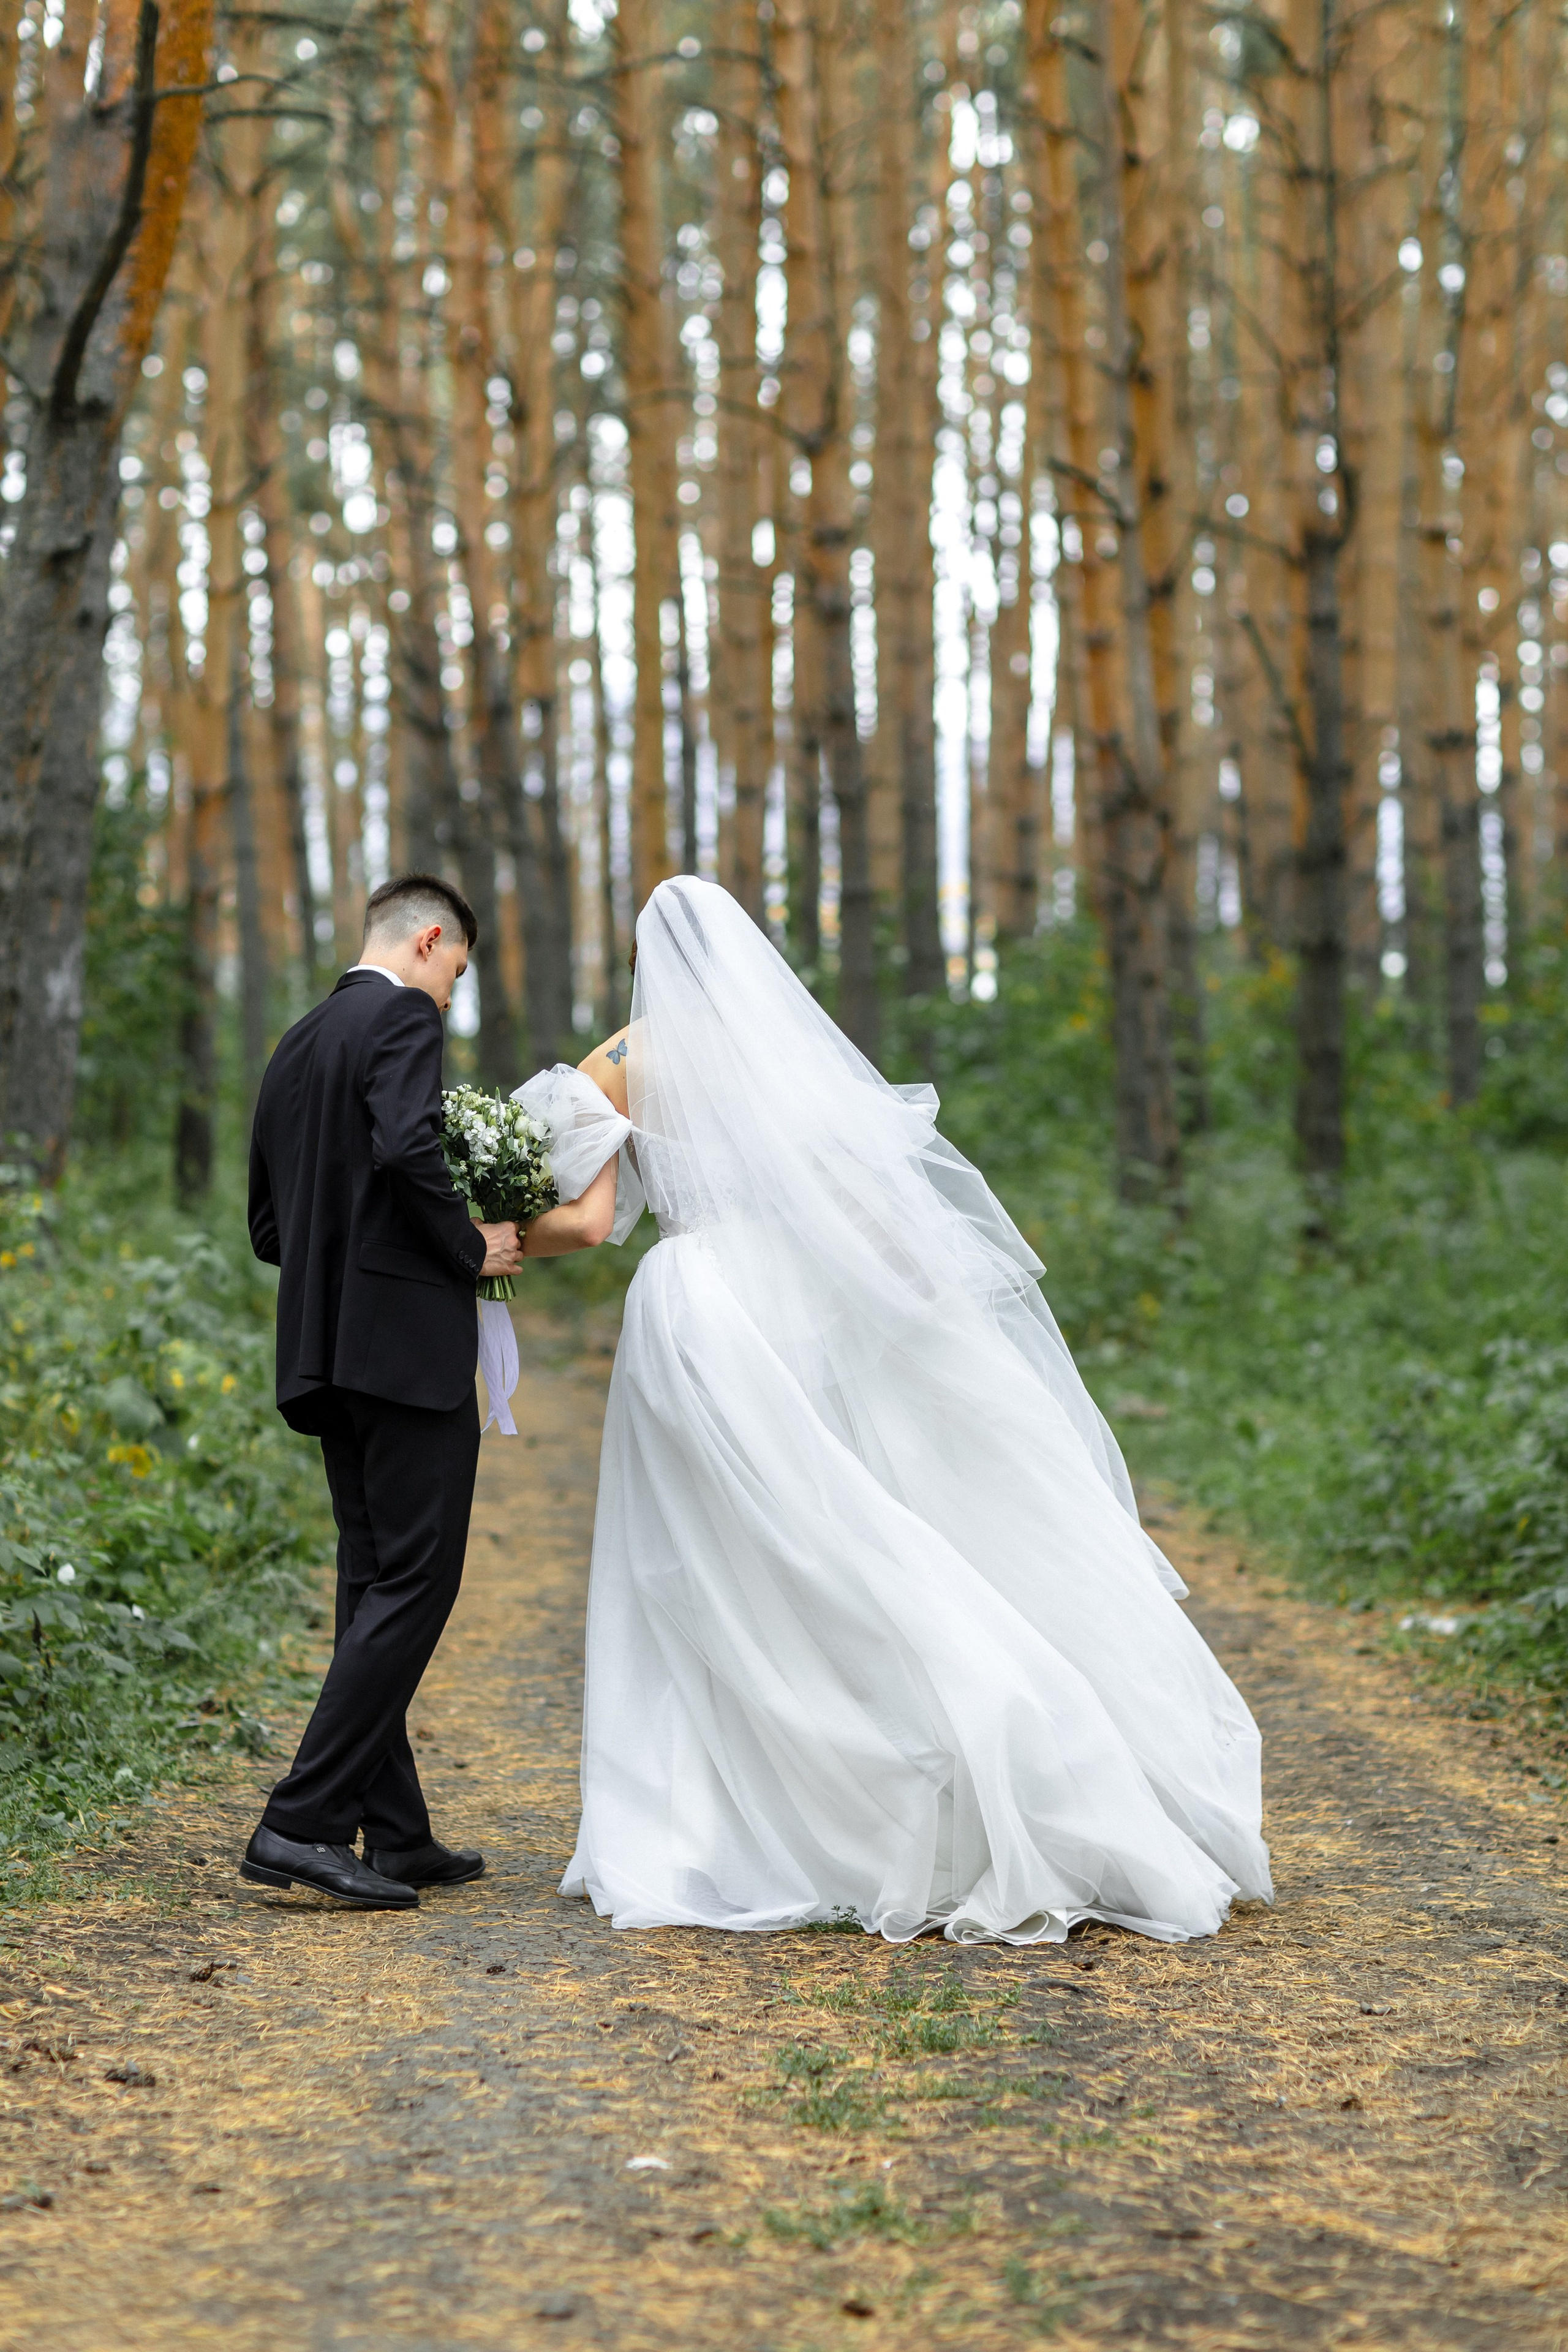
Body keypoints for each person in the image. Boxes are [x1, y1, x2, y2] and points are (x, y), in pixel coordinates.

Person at [513, 875, 1273, 1945]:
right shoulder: (781, 1056)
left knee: (705, 1558)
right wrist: (925, 1307)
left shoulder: (622, 1063)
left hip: (692, 1313)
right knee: (830, 1523)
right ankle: (929, 1763)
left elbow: (588, 1228)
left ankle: (717, 1816)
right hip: (785, 1303)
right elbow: (863, 1207)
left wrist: (493, 1236)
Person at [241, 875, 524, 1911]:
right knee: (418, 1582)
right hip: (405, 1352)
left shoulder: (299, 1041)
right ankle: (301, 1820)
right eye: (458, 970)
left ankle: (397, 1834)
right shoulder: (401, 1016)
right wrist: (467, 1250)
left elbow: (268, 1229)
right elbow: (410, 1147)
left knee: (374, 1583)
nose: (451, 993)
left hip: (325, 1354)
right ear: (430, 940)